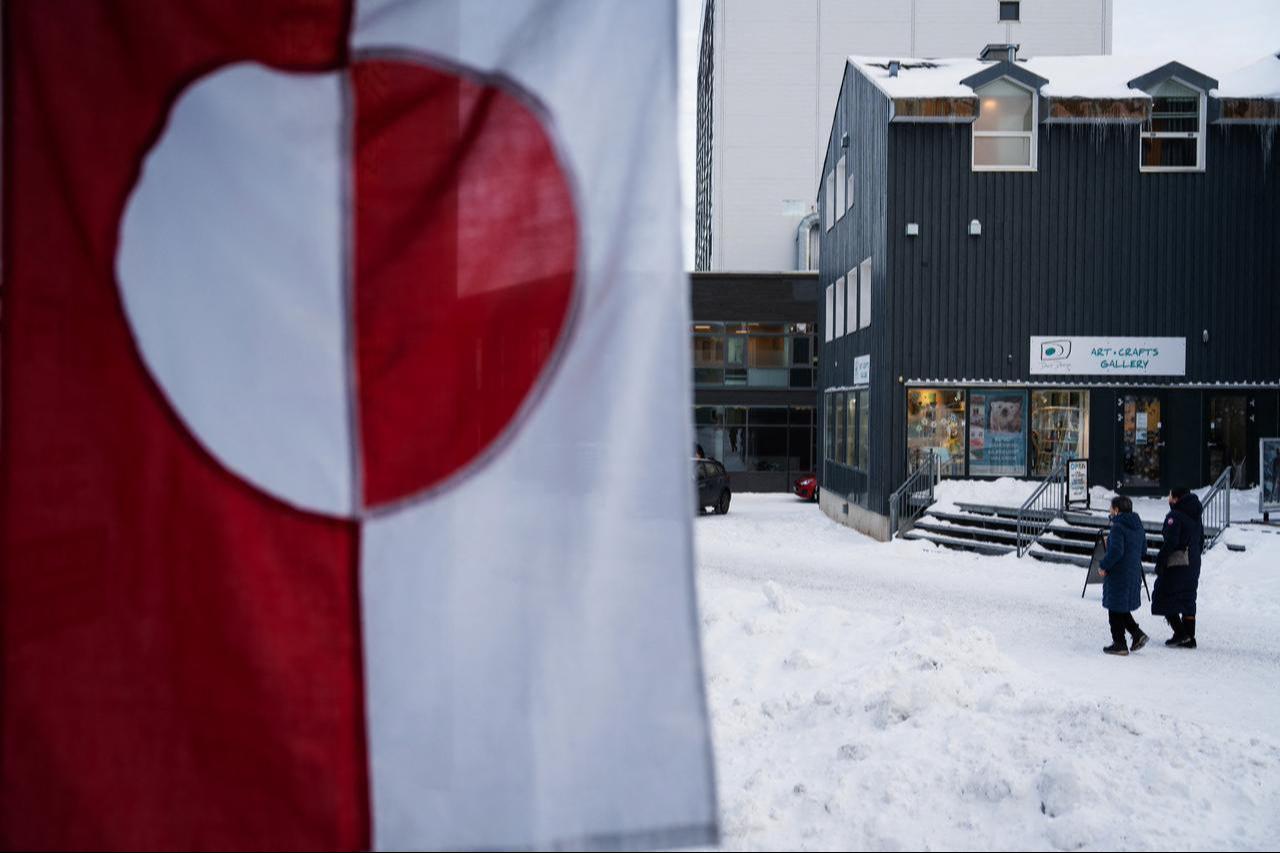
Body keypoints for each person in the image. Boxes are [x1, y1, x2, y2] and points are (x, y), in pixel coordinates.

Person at [1152, 486, 1204, 649]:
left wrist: (1161, 561)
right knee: (1188, 598)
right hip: (1193, 562)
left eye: (1169, 495)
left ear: (1176, 498)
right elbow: (1201, 540)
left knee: (1164, 595)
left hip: (1178, 564)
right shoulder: (1196, 515)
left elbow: (1171, 542)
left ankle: (1180, 633)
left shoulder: (1175, 516)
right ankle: (1189, 637)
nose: (1168, 499)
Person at [1097, 495, 1149, 656]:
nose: (1110, 512)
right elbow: (1143, 550)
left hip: (1118, 573)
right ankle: (1137, 634)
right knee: (1120, 606)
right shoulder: (1138, 526)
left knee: (1114, 607)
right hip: (1133, 571)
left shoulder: (1118, 527)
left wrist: (1103, 565)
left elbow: (1117, 551)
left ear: (1117, 510)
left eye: (1111, 509)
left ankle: (1119, 643)